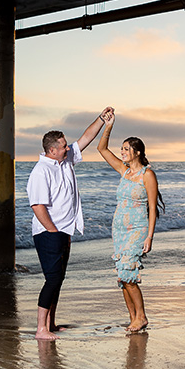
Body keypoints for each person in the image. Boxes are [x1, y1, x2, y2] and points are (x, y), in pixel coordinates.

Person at [27, 107, 113, 341]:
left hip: (64, 231)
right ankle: (40, 329)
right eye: (64, 146)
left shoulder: (65, 161)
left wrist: (101, 120)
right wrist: (53, 231)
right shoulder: (41, 171)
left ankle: (51, 324)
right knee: (52, 279)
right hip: (48, 232)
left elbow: (86, 138)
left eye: (67, 145)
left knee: (58, 279)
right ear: (52, 150)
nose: (68, 148)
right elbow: (38, 206)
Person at [97, 110, 162, 333]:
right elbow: (101, 149)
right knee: (122, 277)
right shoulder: (123, 171)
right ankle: (133, 318)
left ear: (137, 152)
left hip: (137, 229)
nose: (122, 152)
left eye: (126, 149)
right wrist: (109, 125)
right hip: (119, 229)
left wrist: (149, 236)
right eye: (122, 149)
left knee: (128, 273)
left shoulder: (147, 175)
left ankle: (141, 316)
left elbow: (152, 208)